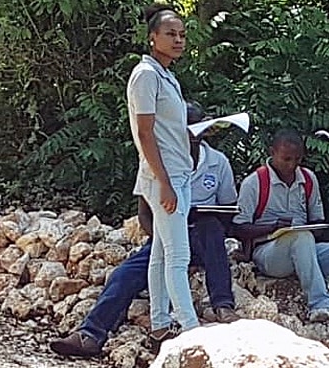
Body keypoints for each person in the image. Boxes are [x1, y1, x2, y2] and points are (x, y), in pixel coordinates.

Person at [50, 101, 241, 357]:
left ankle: (223, 305)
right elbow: (144, 214)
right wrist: (166, 240)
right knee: (124, 275)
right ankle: (90, 335)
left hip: (203, 238)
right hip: (164, 237)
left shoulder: (218, 162)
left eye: (196, 129)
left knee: (210, 228)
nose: (190, 135)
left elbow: (228, 211)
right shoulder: (154, 160)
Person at [231, 129, 329, 345]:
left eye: (297, 159)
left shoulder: (308, 179)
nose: (291, 165)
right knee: (301, 237)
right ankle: (319, 304)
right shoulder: (255, 182)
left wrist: (307, 227)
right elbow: (239, 228)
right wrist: (273, 227)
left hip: (304, 249)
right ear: (272, 153)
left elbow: (318, 222)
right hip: (269, 254)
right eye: (286, 159)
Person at [127, 3, 197, 346]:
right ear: (152, 37)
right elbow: (144, 133)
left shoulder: (167, 75)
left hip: (178, 174)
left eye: (182, 34)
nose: (178, 40)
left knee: (162, 253)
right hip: (163, 178)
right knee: (179, 256)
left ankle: (159, 322)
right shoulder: (146, 75)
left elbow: (169, 129)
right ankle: (190, 329)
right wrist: (165, 182)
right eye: (171, 34)